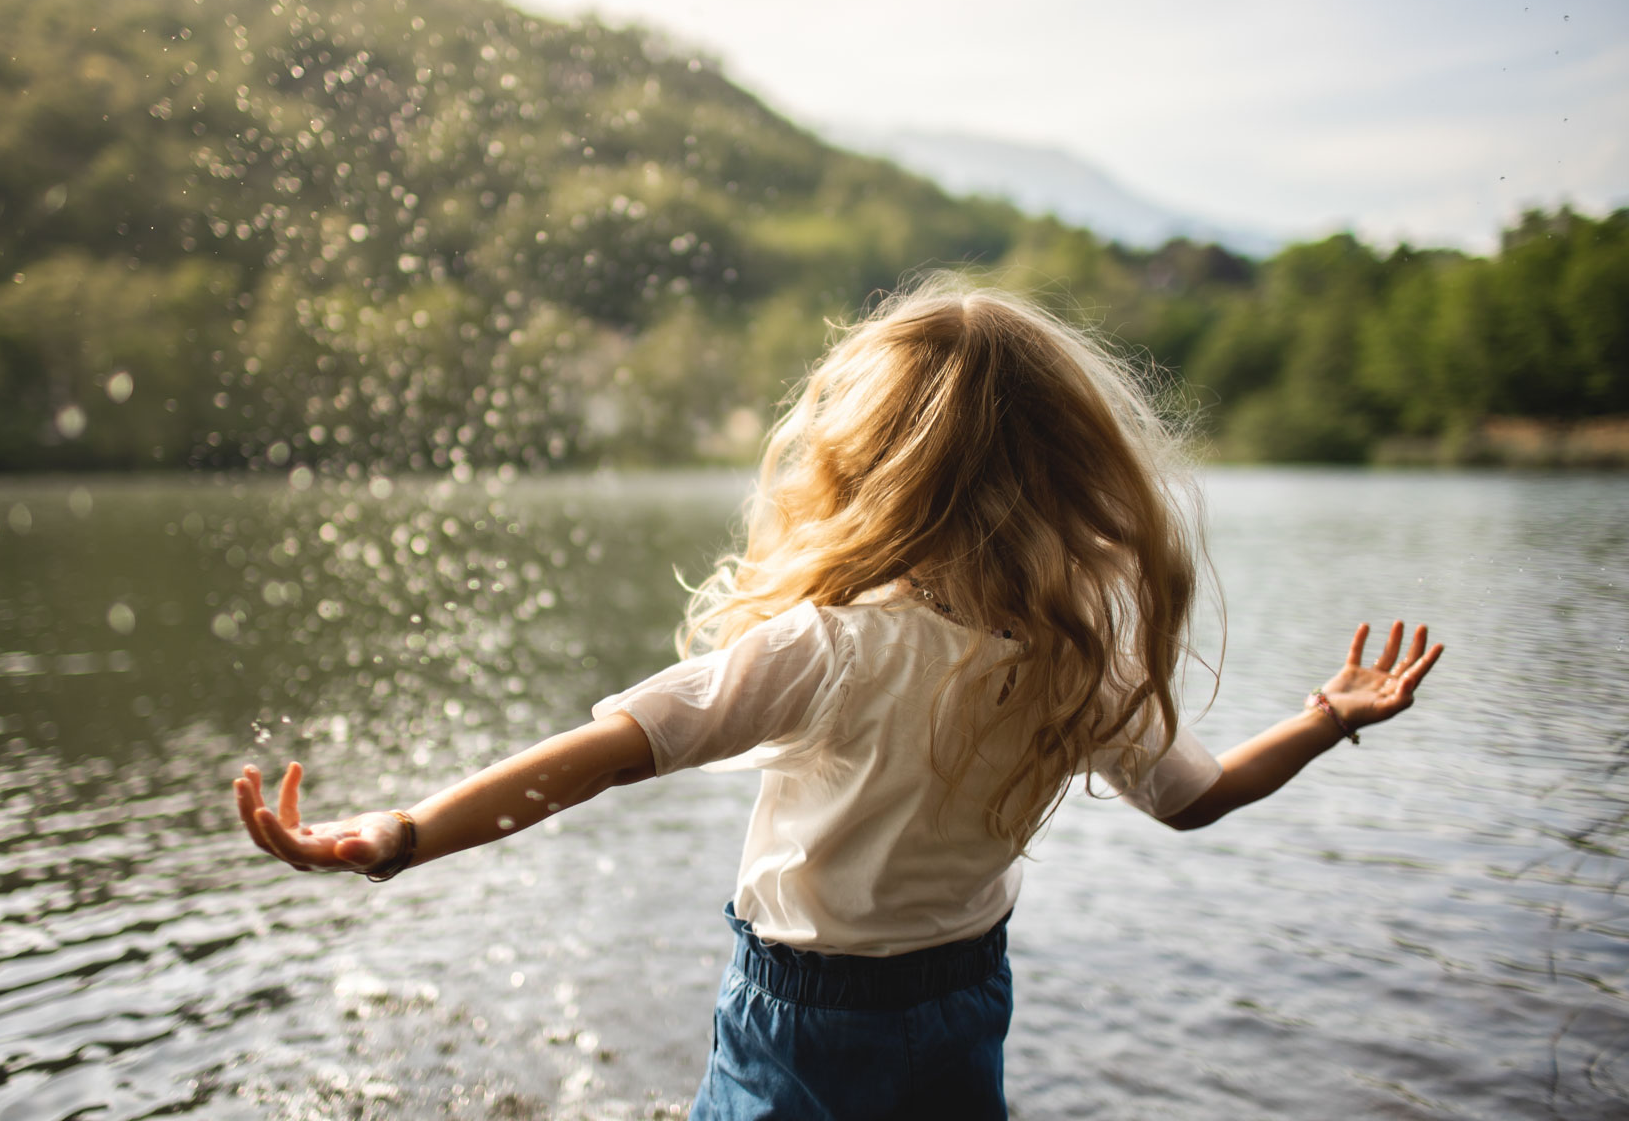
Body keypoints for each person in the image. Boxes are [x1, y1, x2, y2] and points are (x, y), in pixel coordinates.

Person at [232, 279, 1444, 1120]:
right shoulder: (1079, 657)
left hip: (804, 1020)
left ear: (866, 473)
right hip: (966, 995)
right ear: (1067, 477)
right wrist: (1325, 719)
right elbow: (1196, 799)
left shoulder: (828, 649)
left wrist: (403, 836)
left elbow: (602, 752)